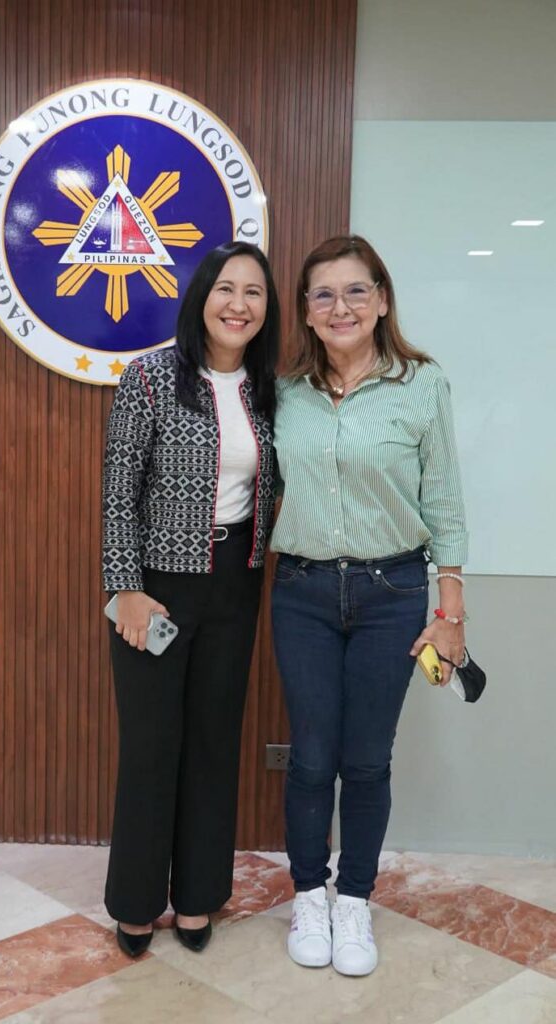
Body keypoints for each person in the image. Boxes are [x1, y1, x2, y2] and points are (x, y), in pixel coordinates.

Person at [271, 235, 468, 976]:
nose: (341, 307)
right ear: (306, 311)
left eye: (357, 290)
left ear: (382, 300)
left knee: (365, 760)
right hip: (303, 593)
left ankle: (353, 900)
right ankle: (308, 895)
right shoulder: (284, 390)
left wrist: (450, 609)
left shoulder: (422, 384)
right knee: (311, 757)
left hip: (393, 593)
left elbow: (442, 497)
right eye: (323, 294)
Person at [102, 241, 280, 957]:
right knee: (152, 746)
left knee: (213, 742)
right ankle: (136, 901)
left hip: (237, 580)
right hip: (158, 586)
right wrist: (125, 589)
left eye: (254, 293)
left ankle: (200, 895)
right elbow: (119, 494)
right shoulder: (150, 378)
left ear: (266, 310)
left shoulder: (270, 390)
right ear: (202, 297)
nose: (239, 304)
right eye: (225, 289)